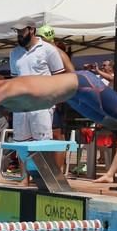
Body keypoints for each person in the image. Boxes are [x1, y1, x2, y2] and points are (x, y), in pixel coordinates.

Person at [9, 23, 66, 184]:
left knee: (42, 143)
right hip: (21, 105)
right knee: (21, 143)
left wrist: (55, 100)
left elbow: (59, 78)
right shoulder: (14, 53)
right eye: (17, 31)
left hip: (42, 104)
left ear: (32, 30)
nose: (19, 34)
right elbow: (14, 80)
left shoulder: (48, 50)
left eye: (21, 31)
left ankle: (44, 178)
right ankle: (24, 178)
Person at [36, 24, 74, 173]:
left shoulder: (56, 52)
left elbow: (70, 74)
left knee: (57, 135)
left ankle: (57, 172)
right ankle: (48, 171)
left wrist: (60, 96)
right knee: (46, 135)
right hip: (48, 99)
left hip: (57, 99)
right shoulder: (46, 51)